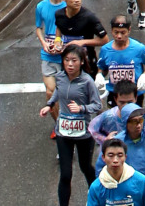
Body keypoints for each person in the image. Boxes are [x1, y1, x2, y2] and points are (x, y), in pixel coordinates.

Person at [40, 43, 101, 206]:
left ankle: (98, 197)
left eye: (74, 60)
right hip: (63, 133)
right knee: (65, 174)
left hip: (84, 134)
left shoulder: (87, 81)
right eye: (66, 60)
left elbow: (97, 105)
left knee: (86, 167)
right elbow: (58, 91)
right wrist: (50, 105)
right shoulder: (60, 77)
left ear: (81, 62)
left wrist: (81, 108)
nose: (70, 64)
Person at [97, 17, 145, 107]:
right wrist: (99, 75)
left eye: (123, 32)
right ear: (111, 30)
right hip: (114, 92)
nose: (119, 36)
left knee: (133, 119)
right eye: (116, 32)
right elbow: (102, 67)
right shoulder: (105, 50)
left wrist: (144, 75)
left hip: (134, 94)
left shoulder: (139, 48)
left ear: (129, 30)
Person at [36, 0, 66, 131]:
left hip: (67, 57)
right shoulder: (41, 7)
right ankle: (58, 125)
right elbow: (38, 27)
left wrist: (64, 45)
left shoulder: (69, 6)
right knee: (50, 93)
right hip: (48, 57)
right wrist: (44, 43)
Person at [55, 0, 109, 74]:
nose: (77, 0)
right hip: (68, 62)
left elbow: (105, 40)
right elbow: (59, 27)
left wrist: (81, 42)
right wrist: (57, 41)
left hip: (86, 62)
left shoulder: (89, 17)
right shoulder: (59, 15)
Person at [87, 138, 145, 206]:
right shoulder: (96, 187)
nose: (115, 160)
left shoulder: (141, 181)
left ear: (125, 157)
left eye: (120, 155)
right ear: (103, 157)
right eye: (111, 155)